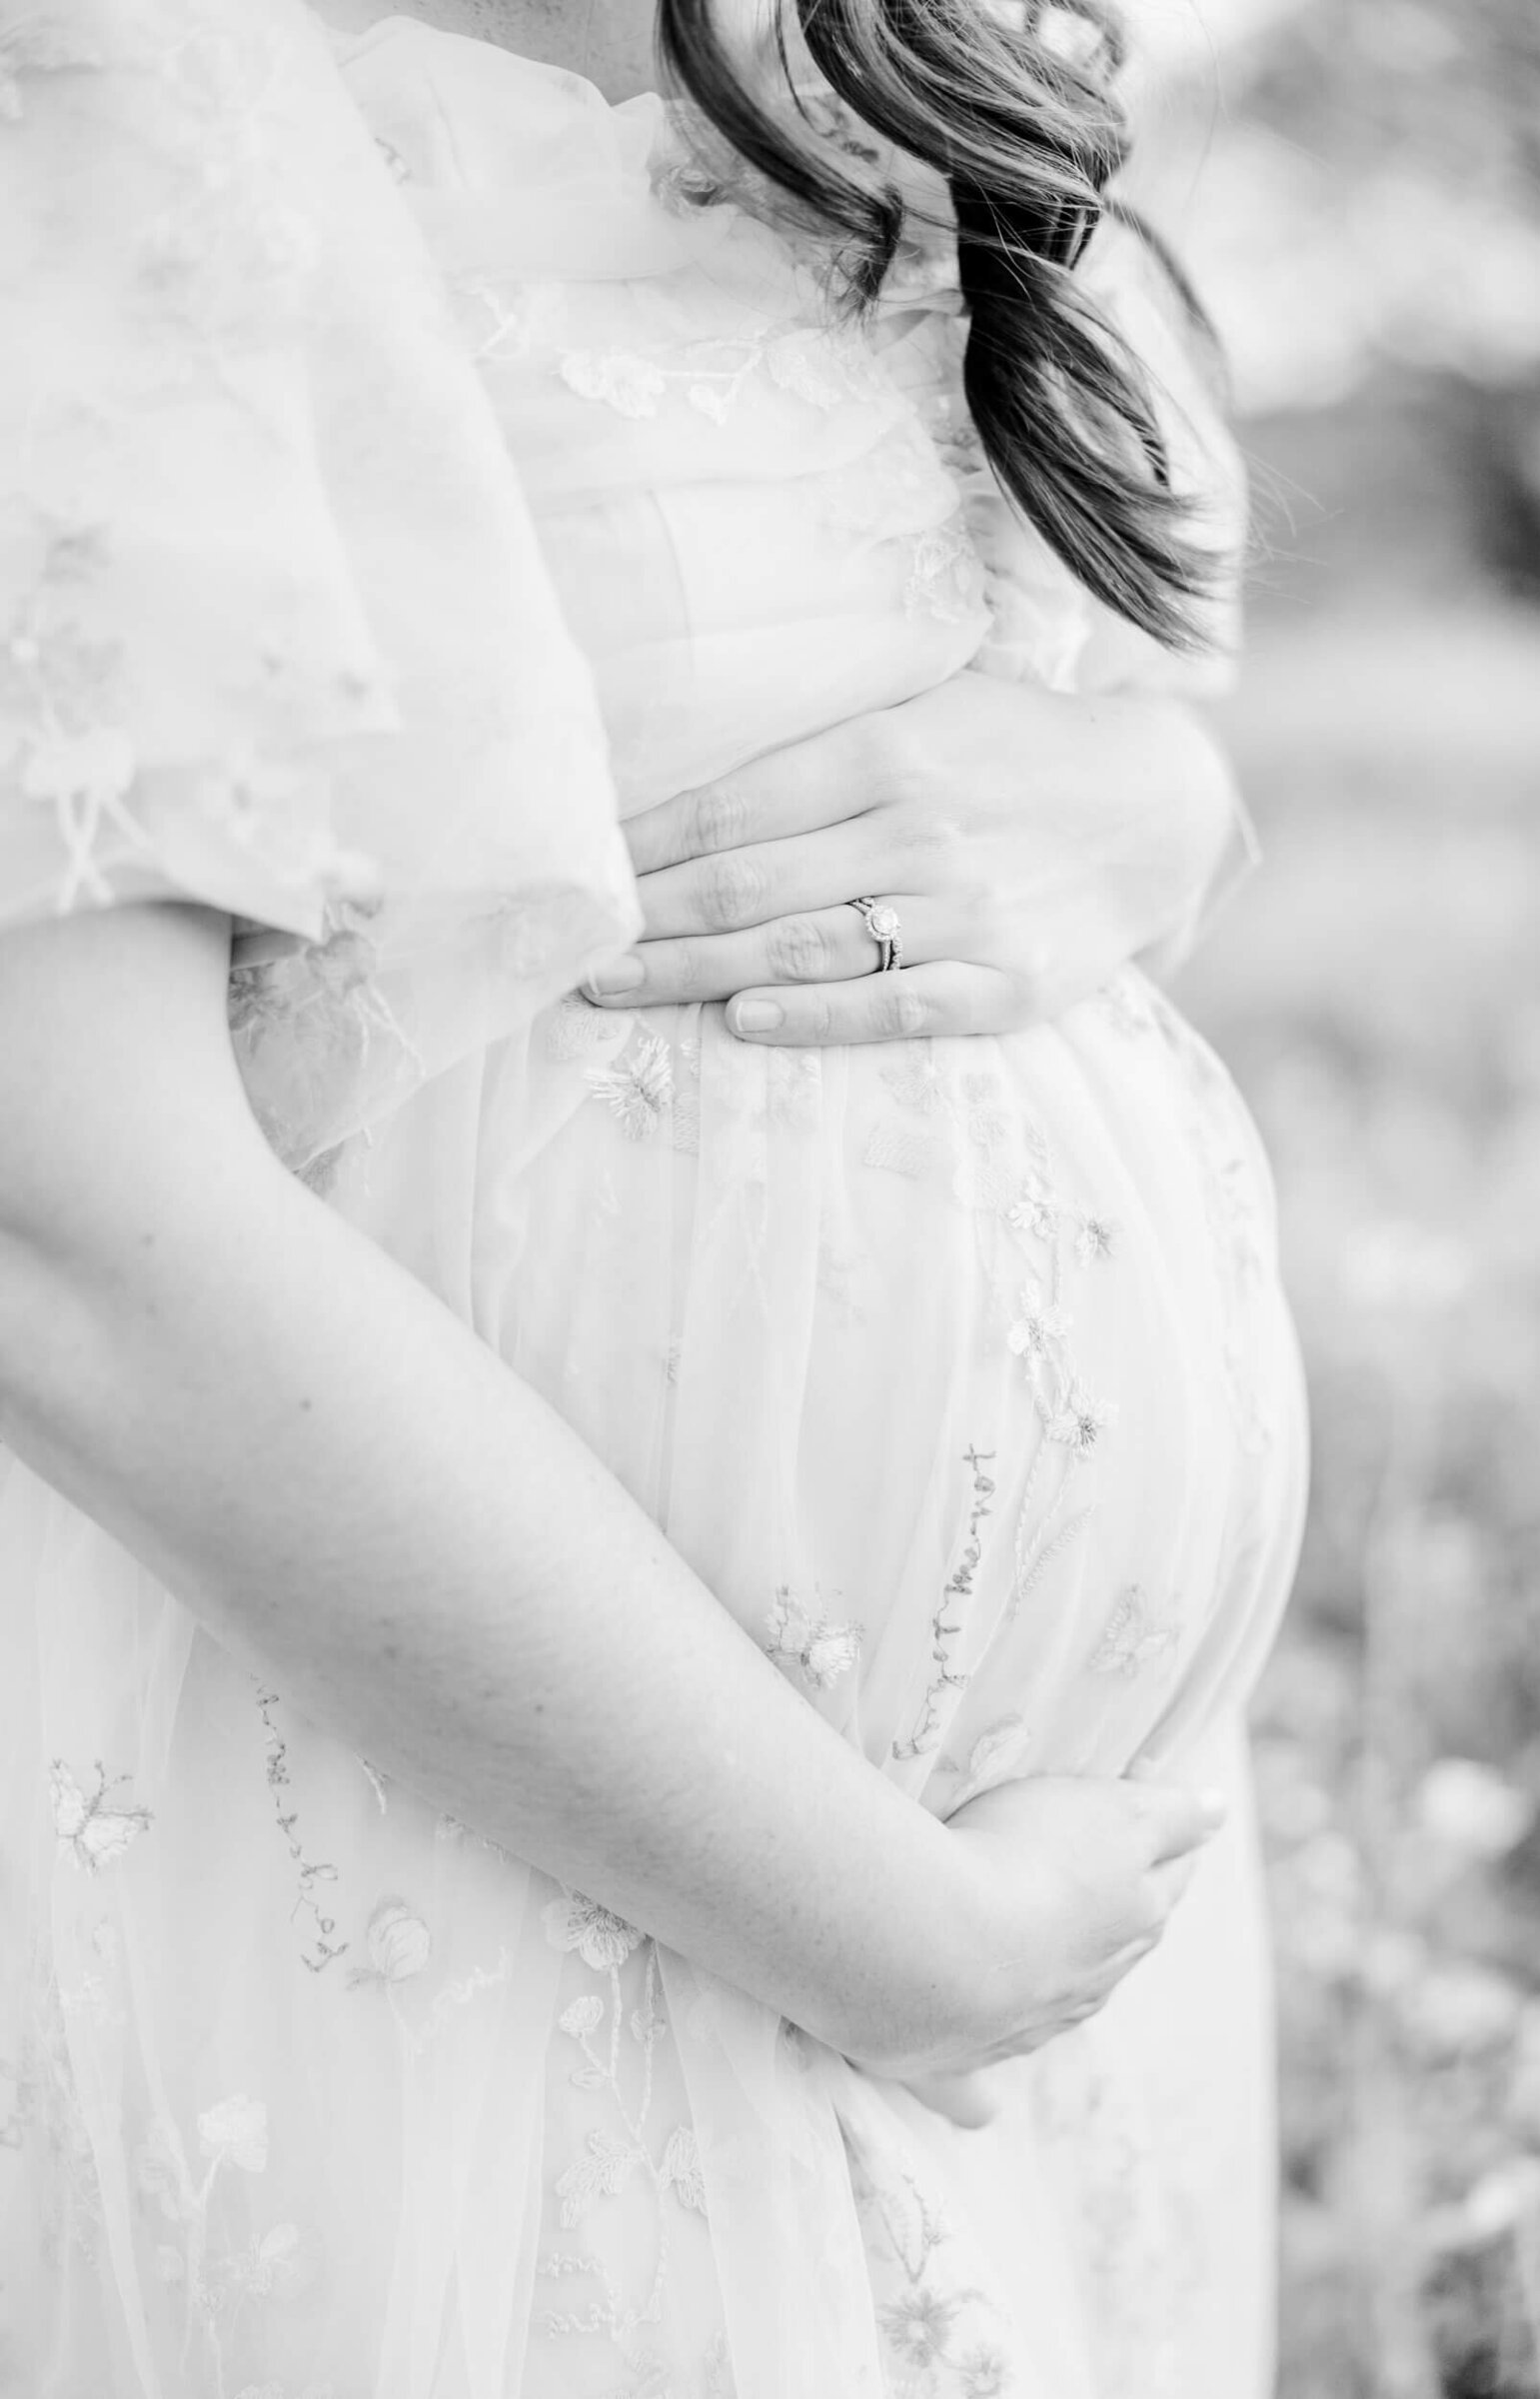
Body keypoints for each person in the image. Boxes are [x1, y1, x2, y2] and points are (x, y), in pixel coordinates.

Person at [0, 1, 1304, 2394]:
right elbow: (58, 1216)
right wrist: (893, 1930)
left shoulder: (918, 59)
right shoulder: (98, 75)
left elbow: (1086, 686)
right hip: (469, 1862)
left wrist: (1150, 807)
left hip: (1048, 1929)